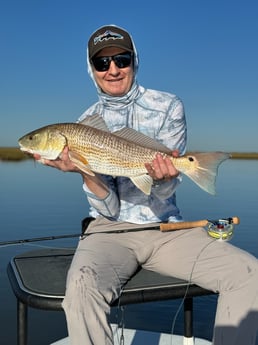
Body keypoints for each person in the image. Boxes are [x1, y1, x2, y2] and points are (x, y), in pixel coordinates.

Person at [39, 25, 258, 345]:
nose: (113, 70)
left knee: (249, 274)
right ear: (91, 70)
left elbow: (164, 190)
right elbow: (109, 205)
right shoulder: (84, 122)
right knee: (81, 290)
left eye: (121, 60)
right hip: (108, 230)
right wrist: (84, 172)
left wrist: (165, 176)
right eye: (102, 63)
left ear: (134, 61)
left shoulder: (169, 106)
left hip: (165, 229)